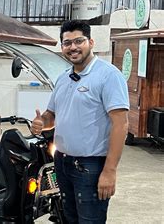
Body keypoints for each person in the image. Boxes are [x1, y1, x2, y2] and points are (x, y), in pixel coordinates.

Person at [31, 20, 129, 223]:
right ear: (62, 47)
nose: (73, 47)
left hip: (90, 166)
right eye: (67, 43)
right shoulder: (63, 78)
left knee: (89, 220)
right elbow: (52, 116)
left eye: (79, 41)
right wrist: (42, 122)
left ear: (91, 42)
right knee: (68, 218)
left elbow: (121, 124)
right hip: (62, 162)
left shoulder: (108, 76)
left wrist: (109, 171)